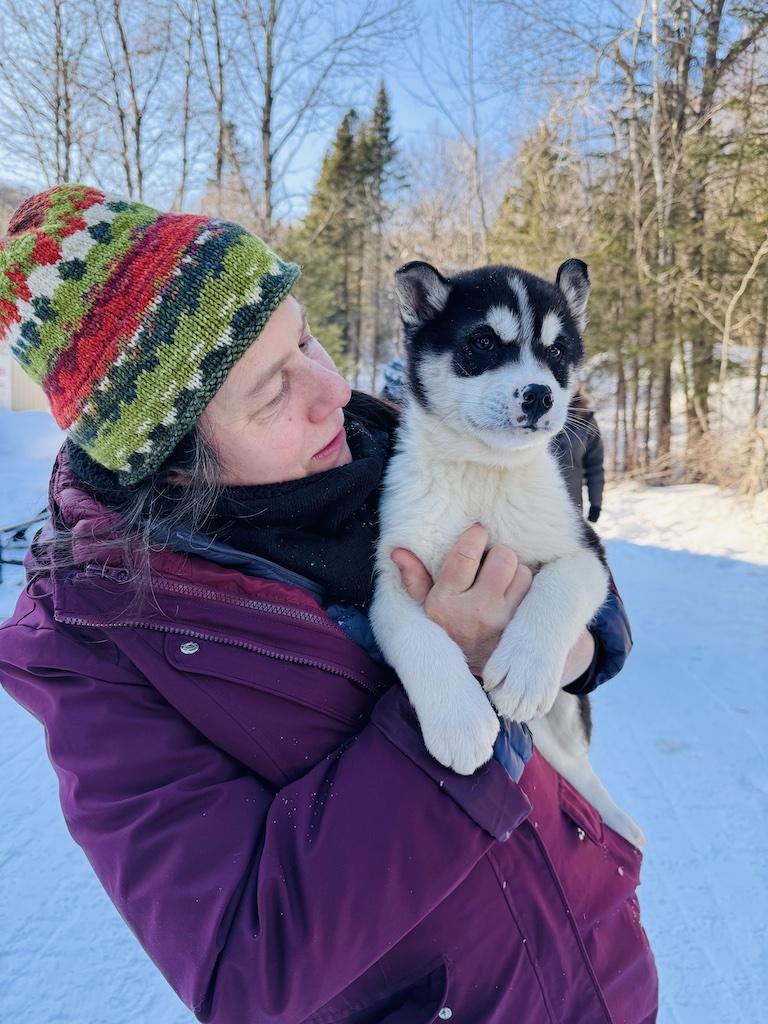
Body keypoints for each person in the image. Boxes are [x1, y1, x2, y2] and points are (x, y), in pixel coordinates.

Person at [0, 185, 657, 1024]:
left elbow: (576, 571)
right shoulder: (98, 648)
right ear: (169, 460)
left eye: (306, 337)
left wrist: (569, 641)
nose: (332, 391)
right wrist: (447, 693)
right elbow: (247, 966)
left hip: (597, 975)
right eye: (272, 391)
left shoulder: (383, 440)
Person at [553, 389, 606, 523]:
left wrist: (595, 503)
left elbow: (595, 466)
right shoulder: (537, 411)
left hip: (571, 505)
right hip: (532, 503)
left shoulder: (586, 420)